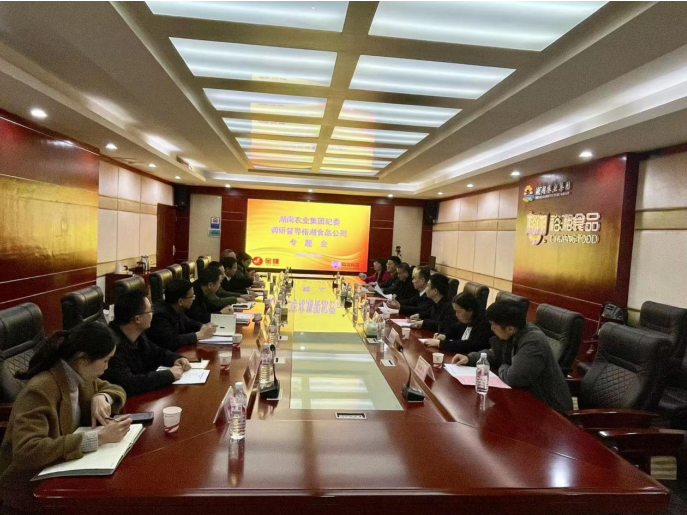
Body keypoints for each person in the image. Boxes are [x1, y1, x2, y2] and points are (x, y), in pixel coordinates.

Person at [0, 323, 131, 511]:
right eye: (105, 361)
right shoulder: (41, 389)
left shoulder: (80, 376)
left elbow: (116, 389)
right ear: (82, 358)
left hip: (65, 471)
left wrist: (102, 397)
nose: (107, 367)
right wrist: (97, 438)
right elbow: (27, 451)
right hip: (31, 490)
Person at [451, 300, 573, 413]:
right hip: (525, 399)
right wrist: (471, 358)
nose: (491, 328)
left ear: (510, 329)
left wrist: (503, 365)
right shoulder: (514, 333)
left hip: (550, 408)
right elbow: (495, 353)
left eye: (493, 324)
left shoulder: (533, 340)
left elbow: (515, 378)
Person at [103, 290, 191, 396]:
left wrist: (176, 358)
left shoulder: (139, 334)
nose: (152, 314)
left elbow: (156, 352)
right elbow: (129, 383)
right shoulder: (111, 345)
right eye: (150, 311)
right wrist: (169, 375)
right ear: (137, 319)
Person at [147, 279, 216, 351]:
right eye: (192, 296)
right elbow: (170, 340)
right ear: (180, 301)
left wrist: (203, 326)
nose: (193, 299)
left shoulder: (176, 307)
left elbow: (188, 323)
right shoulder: (160, 315)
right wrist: (198, 335)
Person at [423, 292, 494, 354]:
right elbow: (454, 328)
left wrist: (440, 343)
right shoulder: (468, 319)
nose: (456, 315)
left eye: (459, 312)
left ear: (470, 310)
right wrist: (444, 336)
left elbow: (469, 345)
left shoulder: (484, 324)